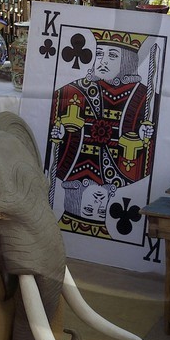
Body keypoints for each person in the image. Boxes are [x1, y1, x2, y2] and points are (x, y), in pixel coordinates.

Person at [47, 28, 157, 239]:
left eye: (112, 55)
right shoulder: (73, 90)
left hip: (112, 172)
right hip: (79, 169)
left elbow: (144, 159)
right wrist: (59, 132)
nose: (103, 61)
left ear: (127, 61)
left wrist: (144, 134)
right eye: (99, 53)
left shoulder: (144, 96)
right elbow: (55, 120)